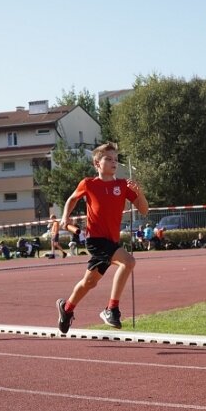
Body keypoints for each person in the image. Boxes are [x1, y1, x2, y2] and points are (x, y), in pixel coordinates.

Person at [56, 142, 149, 332]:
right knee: (129, 262)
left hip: (111, 241)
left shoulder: (122, 185)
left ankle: (66, 308)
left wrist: (140, 193)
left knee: (89, 282)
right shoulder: (89, 184)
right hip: (96, 240)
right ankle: (111, 309)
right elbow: (72, 199)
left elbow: (144, 210)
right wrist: (65, 216)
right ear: (97, 164)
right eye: (108, 159)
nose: (114, 162)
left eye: (116, 159)